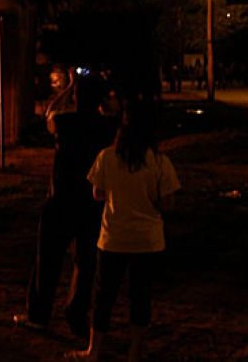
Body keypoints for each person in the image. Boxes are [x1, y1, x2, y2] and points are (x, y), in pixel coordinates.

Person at [69, 101, 180, 361]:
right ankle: (134, 352)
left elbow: (97, 193)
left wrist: (117, 193)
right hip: (147, 240)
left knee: (103, 296)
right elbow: (168, 204)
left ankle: (93, 350)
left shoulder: (107, 157)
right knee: (140, 297)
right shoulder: (160, 162)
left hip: (113, 238)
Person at [14, 75, 118, 337]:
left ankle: (38, 316)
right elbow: (115, 112)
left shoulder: (64, 121)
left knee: (47, 260)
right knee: (85, 264)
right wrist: (103, 100)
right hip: (91, 203)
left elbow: (48, 111)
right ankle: (76, 313)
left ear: (76, 97)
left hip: (60, 202)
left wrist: (70, 87)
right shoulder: (107, 126)